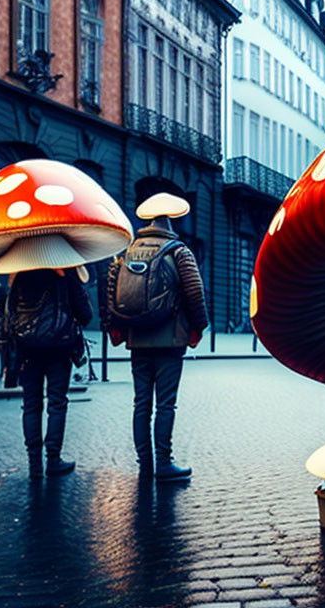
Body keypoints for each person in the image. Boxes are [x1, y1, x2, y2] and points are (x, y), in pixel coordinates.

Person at [106, 193, 209, 482]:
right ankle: (164, 464)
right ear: (170, 224)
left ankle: (144, 463)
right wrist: (198, 327)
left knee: (141, 403)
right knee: (165, 404)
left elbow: (111, 292)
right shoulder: (179, 251)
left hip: (137, 338)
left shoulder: (127, 252)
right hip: (170, 339)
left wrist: (116, 328)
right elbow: (194, 292)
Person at [7, 266, 92, 478]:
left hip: (27, 351)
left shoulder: (20, 278)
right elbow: (85, 315)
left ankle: (34, 464)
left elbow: (10, 316)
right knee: (57, 403)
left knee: (31, 405)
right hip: (58, 350)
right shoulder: (65, 278)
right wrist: (71, 281)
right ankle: (53, 459)